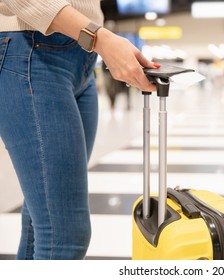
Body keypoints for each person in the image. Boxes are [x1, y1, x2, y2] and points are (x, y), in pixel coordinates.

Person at [0, 0, 159, 260]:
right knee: (65, 235)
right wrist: (101, 38)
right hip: (30, 51)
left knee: (42, 219)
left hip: (81, 60)